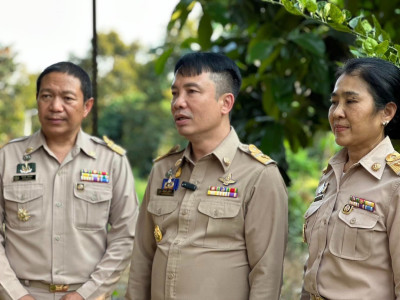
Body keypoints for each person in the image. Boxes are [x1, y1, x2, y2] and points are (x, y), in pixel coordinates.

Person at [125, 52, 288, 300]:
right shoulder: (163, 170)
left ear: (226, 103)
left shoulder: (258, 174)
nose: (178, 102)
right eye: (174, 93)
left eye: (191, 92)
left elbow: (267, 274)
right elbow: (142, 258)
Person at [0, 62, 139, 300]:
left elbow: (126, 235)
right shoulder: (7, 157)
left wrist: (87, 293)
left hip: (88, 293)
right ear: (37, 100)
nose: (55, 106)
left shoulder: (111, 161)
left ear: (87, 106)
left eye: (67, 98)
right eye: (47, 96)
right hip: (21, 292)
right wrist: (15, 294)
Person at [301, 57, 400, 300]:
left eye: (351, 101)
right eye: (334, 102)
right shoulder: (331, 174)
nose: (337, 113)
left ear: (386, 112)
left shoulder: (394, 184)